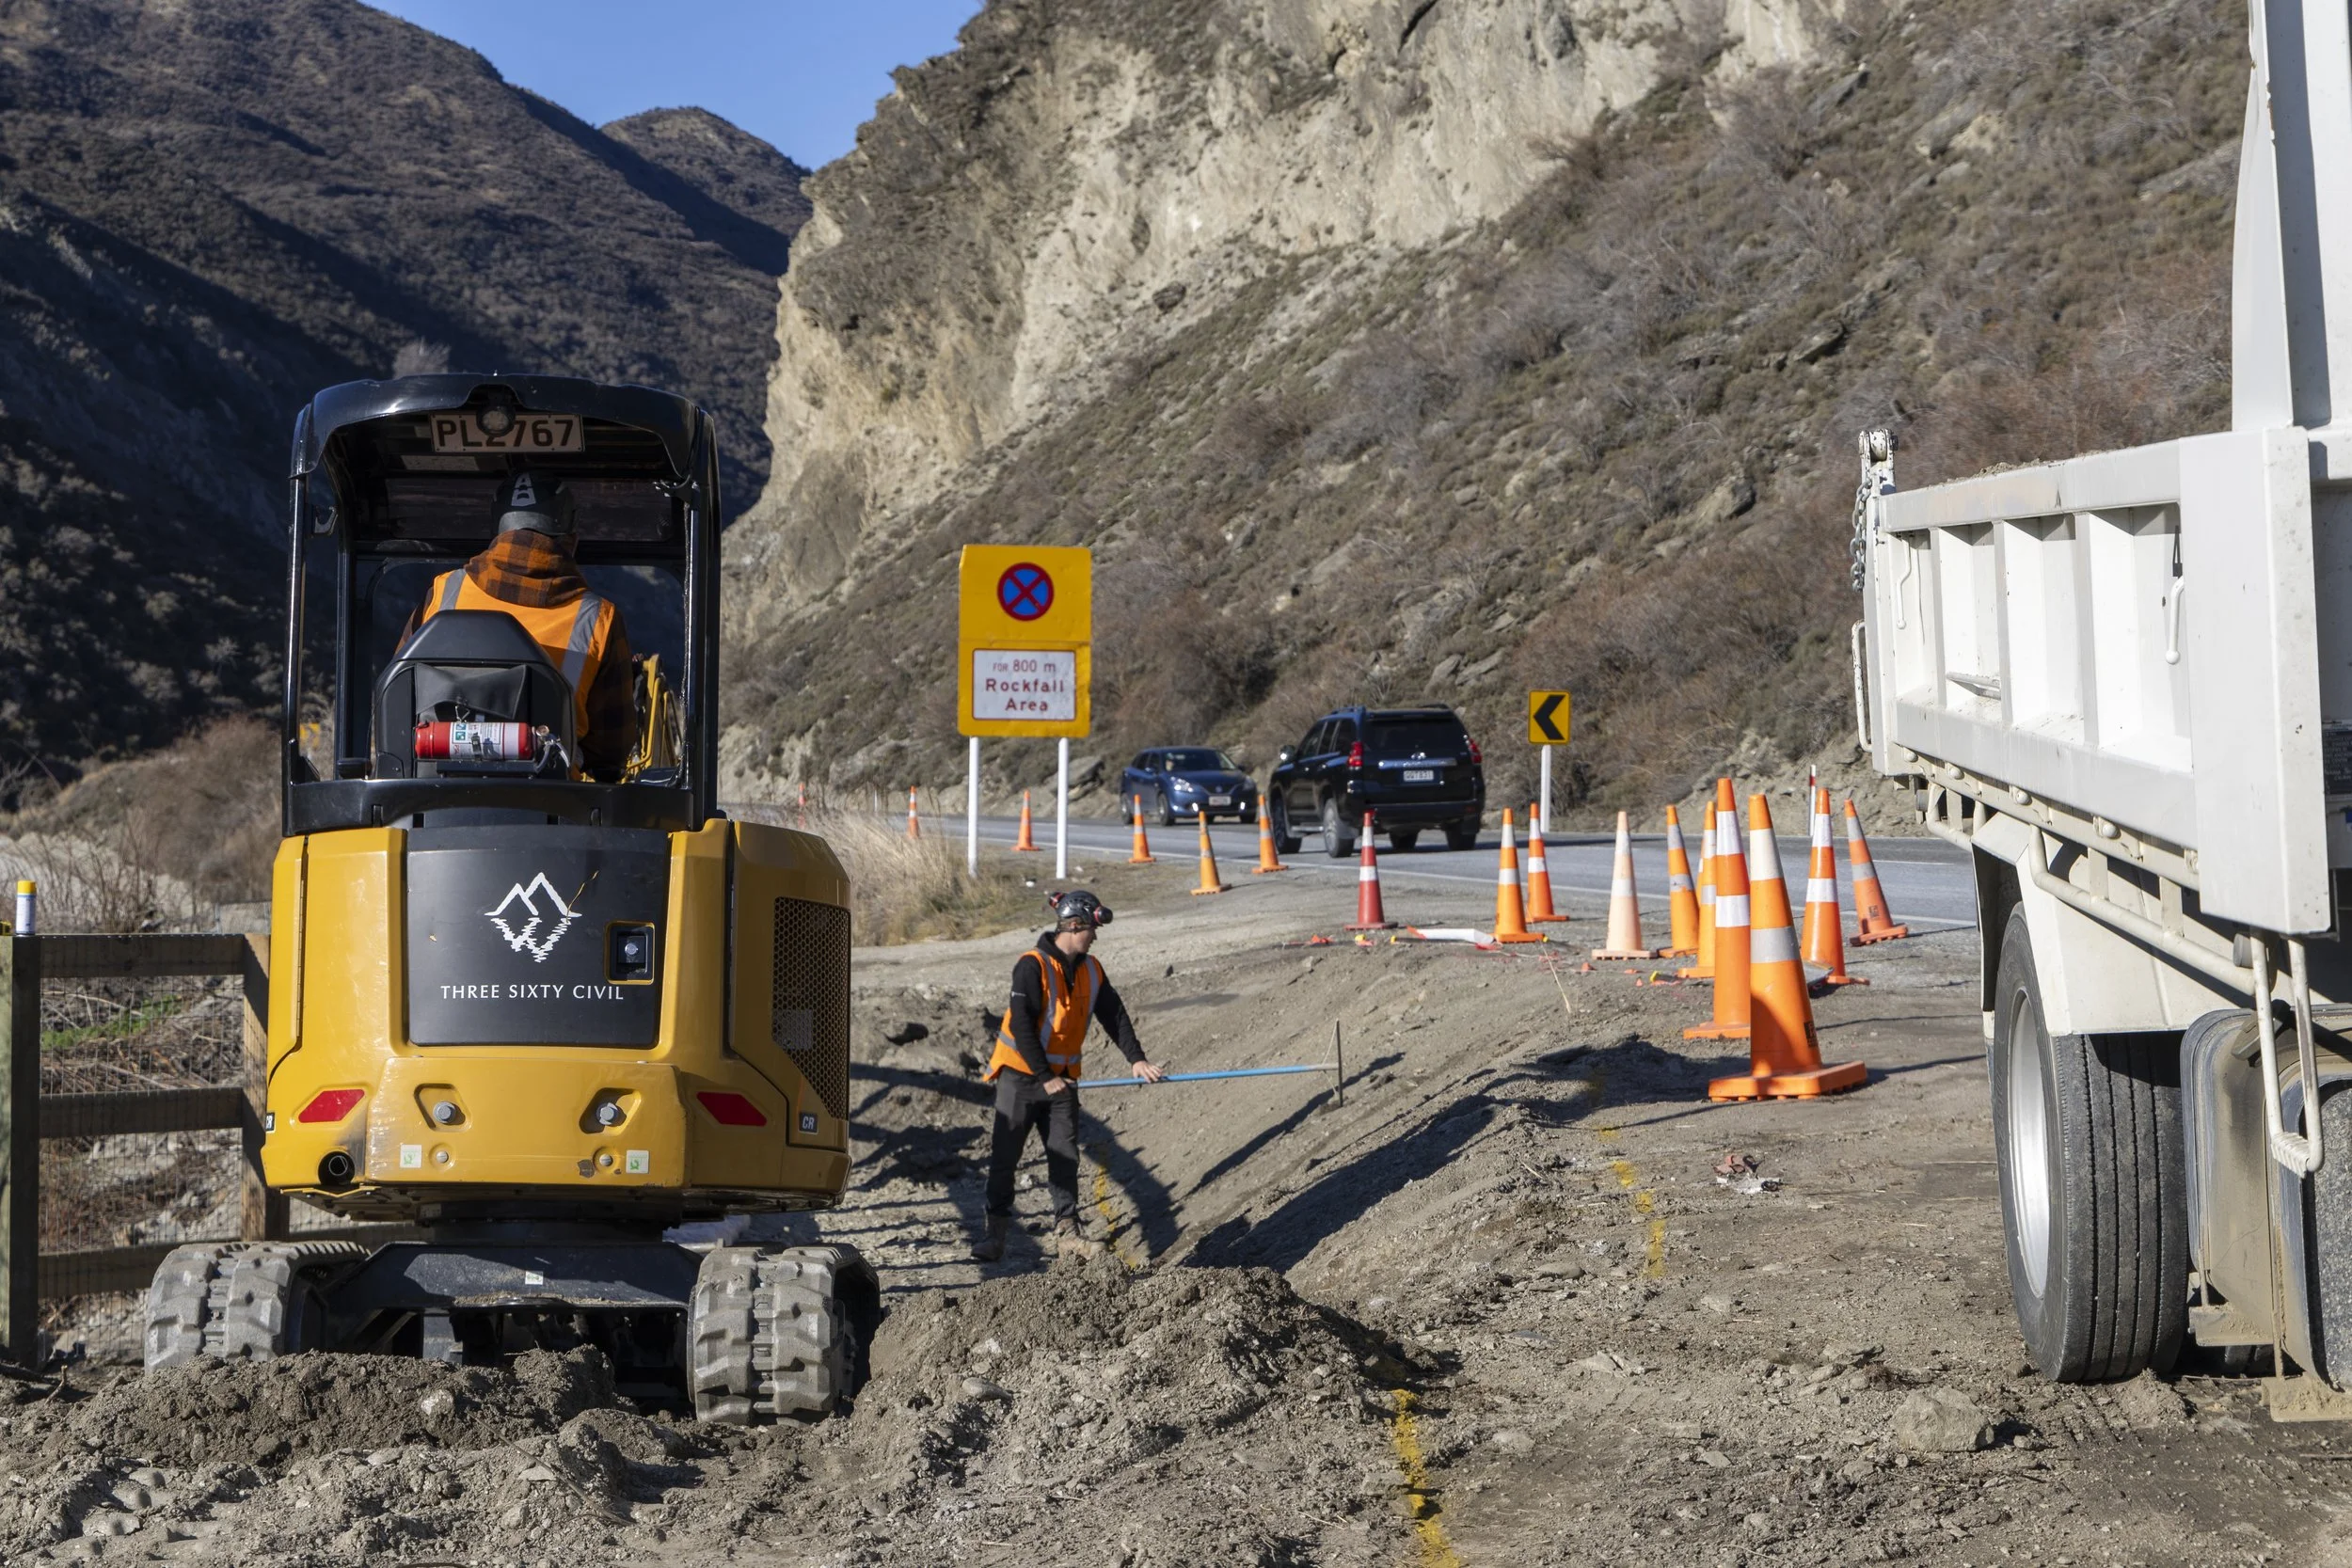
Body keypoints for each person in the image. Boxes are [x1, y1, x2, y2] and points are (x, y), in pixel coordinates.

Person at [972, 890, 1165, 1263]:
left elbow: (1115, 1015)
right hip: (1021, 1077)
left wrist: (1136, 1060)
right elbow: (1023, 1024)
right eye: (1092, 929)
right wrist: (1044, 1075)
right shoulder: (1031, 966)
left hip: (1061, 1081)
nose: (1095, 936)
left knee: (1064, 1156)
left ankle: (1068, 1233)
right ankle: (994, 1235)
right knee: (1005, 1159)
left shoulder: (1092, 970)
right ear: (1075, 927)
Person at [407, 468, 636, 775]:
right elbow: (610, 754)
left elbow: (398, 696)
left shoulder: (443, 592)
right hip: (553, 809)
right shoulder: (598, 620)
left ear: (499, 536)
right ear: (571, 542)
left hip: (427, 801)